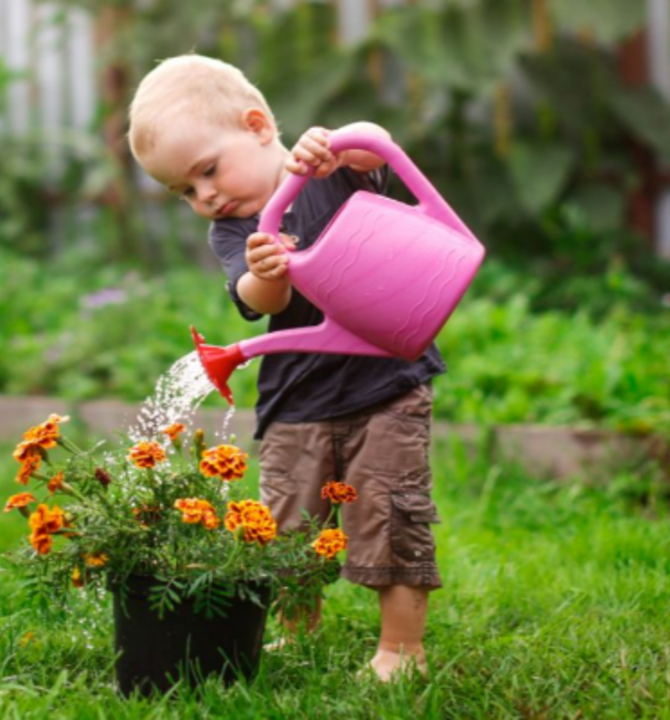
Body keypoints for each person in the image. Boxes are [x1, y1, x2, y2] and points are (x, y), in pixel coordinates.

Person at [127, 54, 446, 682]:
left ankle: (402, 649)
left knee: (393, 510)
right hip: (295, 398)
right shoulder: (237, 229)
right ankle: (301, 632)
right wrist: (264, 273)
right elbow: (255, 300)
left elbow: (377, 149)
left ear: (257, 126)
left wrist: (340, 145)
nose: (205, 196)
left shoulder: (326, 170)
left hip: (385, 384)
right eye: (185, 191)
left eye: (207, 171)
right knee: (287, 526)